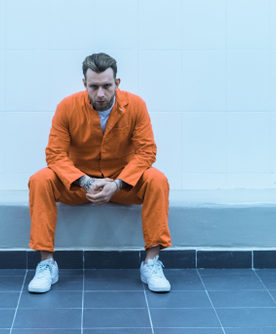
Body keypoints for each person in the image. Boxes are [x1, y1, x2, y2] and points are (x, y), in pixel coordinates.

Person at [27, 52, 172, 294]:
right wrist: (84, 181)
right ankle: (46, 263)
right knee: (40, 179)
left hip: (122, 183)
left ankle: (151, 263)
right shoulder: (67, 107)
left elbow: (146, 152)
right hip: (78, 184)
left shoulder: (136, 105)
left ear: (117, 83)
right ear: (85, 84)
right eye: (94, 87)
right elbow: (55, 154)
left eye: (106, 86)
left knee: (157, 179)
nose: (101, 93)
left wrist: (117, 184)